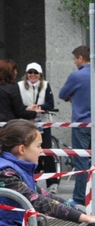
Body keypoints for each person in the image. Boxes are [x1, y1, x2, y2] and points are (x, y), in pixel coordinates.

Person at [58, 45, 95, 208]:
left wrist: (74, 97)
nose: (74, 62)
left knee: (81, 161)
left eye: (74, 59)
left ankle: (80, 196)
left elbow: (62, 94)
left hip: (81, 122)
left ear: (80, 58)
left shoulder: (76, 76)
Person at [17, 62, 59, 194]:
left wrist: (39, 107)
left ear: (40, 74)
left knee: (46, 152)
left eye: (36, 73)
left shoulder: (46, 85)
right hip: (26, 123)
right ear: (26, 74)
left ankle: (52, 183)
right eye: (30, 72)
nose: (33, 75)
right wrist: (28, 109)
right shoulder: (19, 86)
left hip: (43, 123)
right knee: (27, 153)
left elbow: (50, 103)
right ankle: (31, 181)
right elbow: (17, 104)